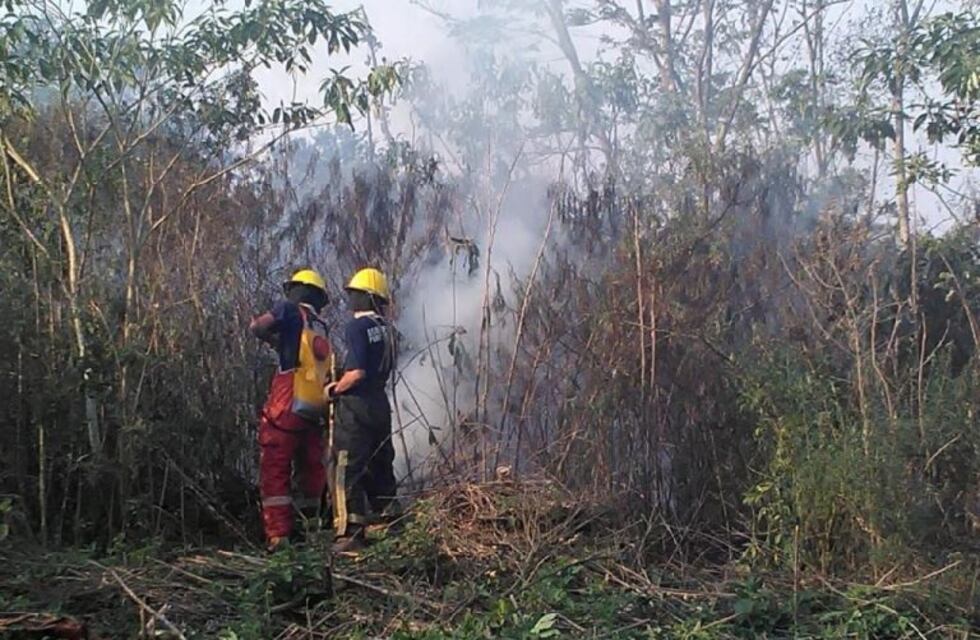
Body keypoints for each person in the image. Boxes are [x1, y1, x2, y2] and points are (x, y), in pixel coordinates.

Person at [250, 269, 332, 551]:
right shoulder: (321, 325)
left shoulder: (288, 310)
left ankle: (279, 536)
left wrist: (276, 343)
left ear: (296, 290)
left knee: (275, 464)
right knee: (313, 467)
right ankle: (313, 528)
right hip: (315, 407)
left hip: (286, 403)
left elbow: (258, 328)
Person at [325, 267, 397, 553]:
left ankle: (348, 533)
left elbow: (356, 372)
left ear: (365, 297)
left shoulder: (357, 327)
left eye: (353, 294)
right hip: (380, 405)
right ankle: (389, 520)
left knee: (346, 467)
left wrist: (333, 389)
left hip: (355, 407)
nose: (350, 299)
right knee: (380, 463)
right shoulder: (390, 331)